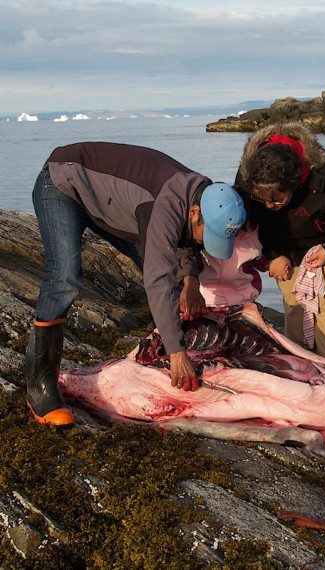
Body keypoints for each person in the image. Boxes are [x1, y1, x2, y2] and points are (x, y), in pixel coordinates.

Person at [27, 141, 246, 426]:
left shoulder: (205, 194)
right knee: (66, 276)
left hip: (109, 201)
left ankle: (163, 351)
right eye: (209, 234)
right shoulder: (163, 204)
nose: (208, 243)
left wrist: (191, 282)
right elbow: (157, 277)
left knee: (175, 278)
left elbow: (184, 240)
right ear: (194, 212)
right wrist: (177, 351)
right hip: (63, 184)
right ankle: (40, 386)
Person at [235, 122, 325, 367]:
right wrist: (273, 255)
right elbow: (253, 221)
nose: (268, 205)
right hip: (283, 242)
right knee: (293, 300)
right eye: (261, 198)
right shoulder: (247, 176)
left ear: (296, 183)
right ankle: (299, 364)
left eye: (277, 200)